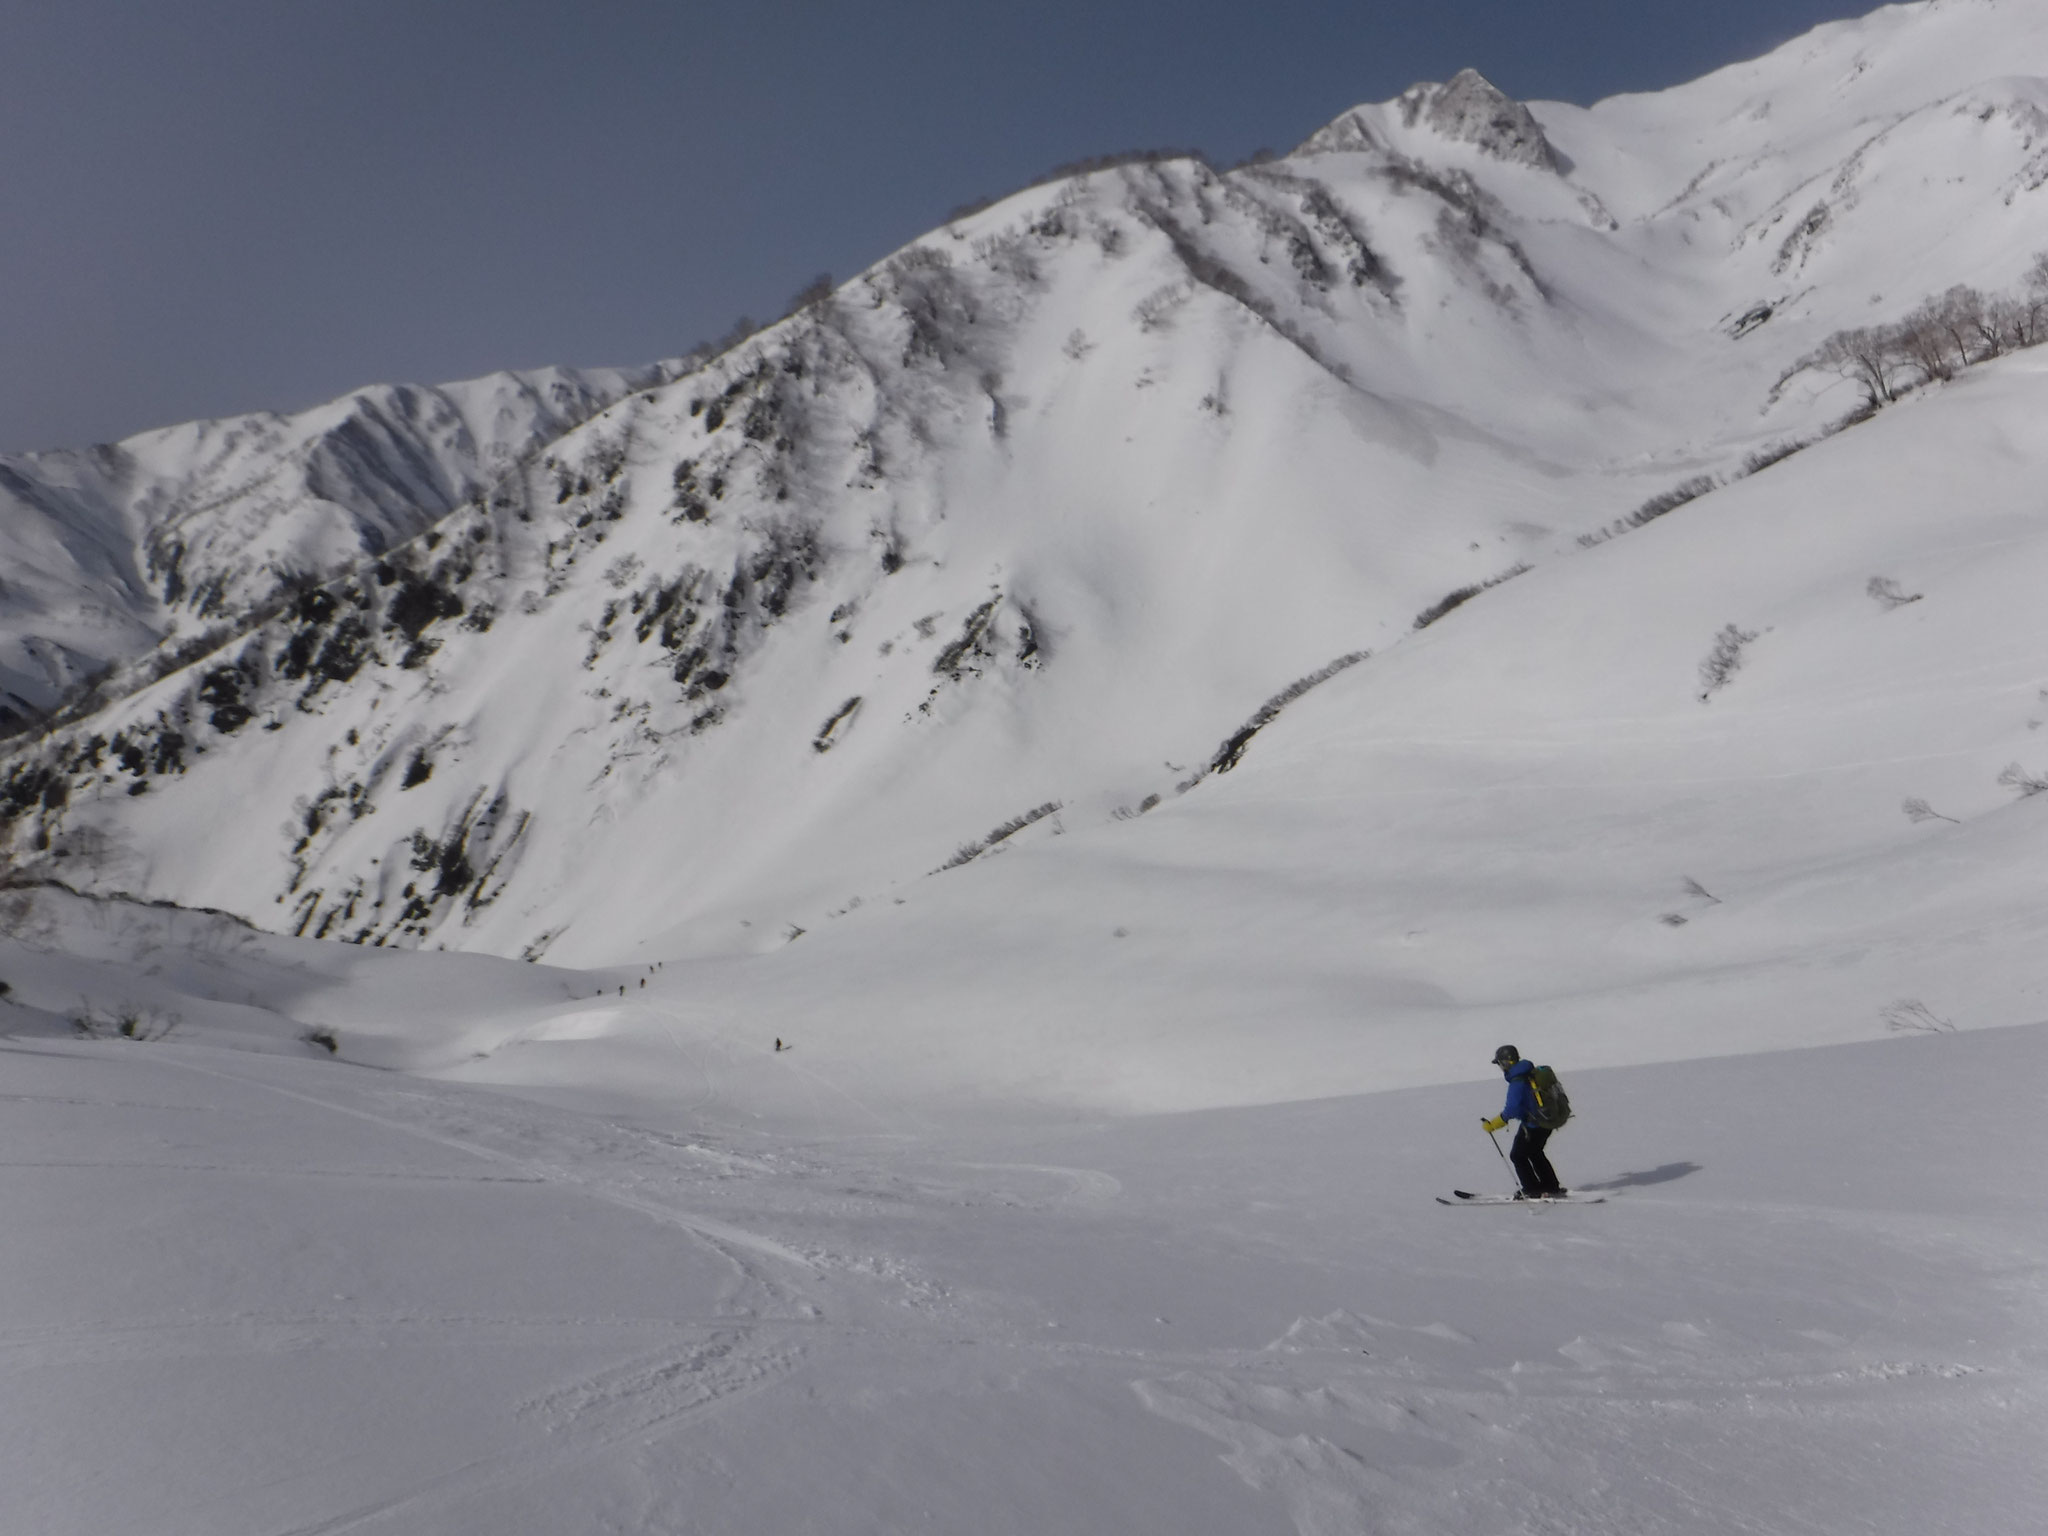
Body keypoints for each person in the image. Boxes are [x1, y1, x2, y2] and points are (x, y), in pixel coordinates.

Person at [1481, 1044, 1566, 1199]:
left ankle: (1532, 1190)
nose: (1500, 1067)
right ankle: (1550, 1186)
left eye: (1500, 1063)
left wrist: (1493, 1124)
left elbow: (1512, 1109)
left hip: (1534, 1124)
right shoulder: (1528, 1073)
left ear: (1507, 1062)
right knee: (1535, 1152)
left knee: (1517, 1155)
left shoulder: (1518, 1081)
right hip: (1546, 1121)